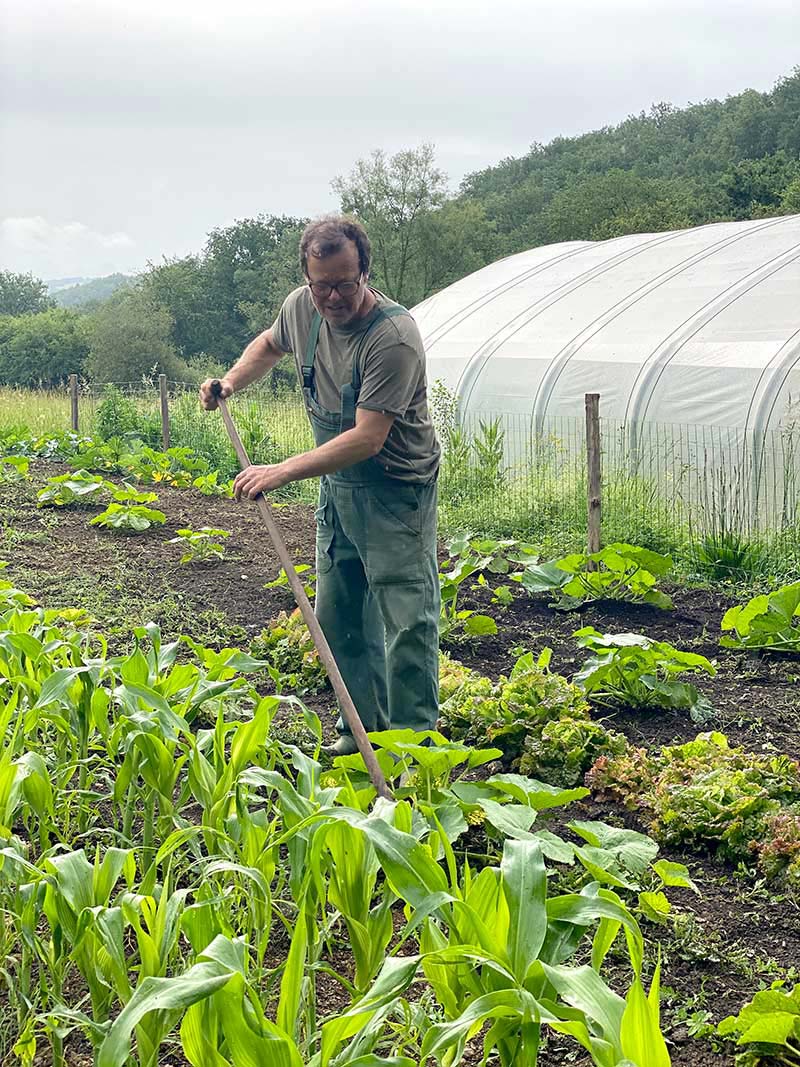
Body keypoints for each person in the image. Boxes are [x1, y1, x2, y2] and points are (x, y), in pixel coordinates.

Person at [200, 215, 441, 756]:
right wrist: (232, 380)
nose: (332, 296)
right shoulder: (302, 307)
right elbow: (268, 343)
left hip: (394, 490)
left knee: (407, 621)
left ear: (365, 275)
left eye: (344, 283)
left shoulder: (392, 338)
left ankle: (415, 749)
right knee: (341, 616)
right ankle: (362, 735)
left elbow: (368, 437)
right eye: (321, 283)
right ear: (308, 277)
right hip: (338, 488)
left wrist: (281, 470)